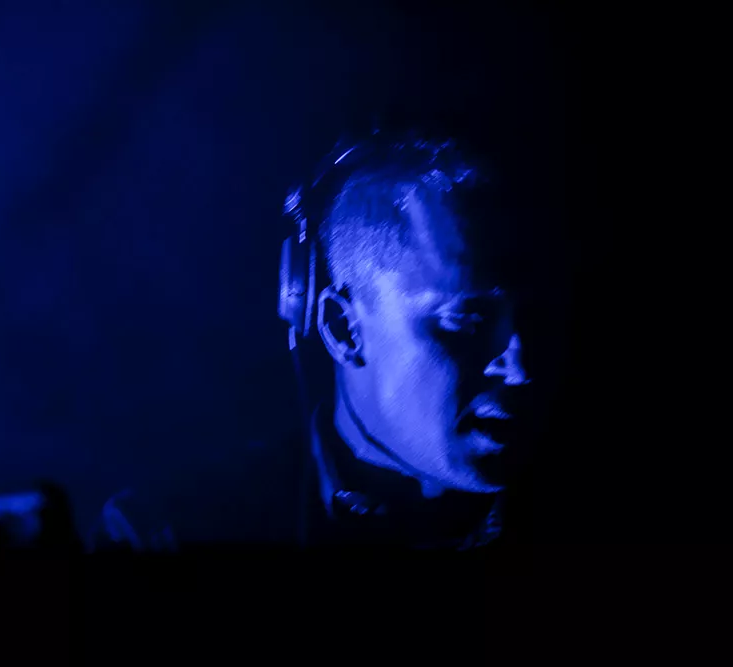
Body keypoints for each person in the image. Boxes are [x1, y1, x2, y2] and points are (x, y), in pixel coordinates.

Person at [91, 130, 563, 551]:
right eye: (468, 321)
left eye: (536, 317)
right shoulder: (168, 533)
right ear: (343, 329)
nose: (522, 367)